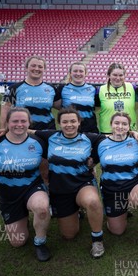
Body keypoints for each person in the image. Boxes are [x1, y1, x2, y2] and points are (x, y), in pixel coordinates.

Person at [0, 107, 52, 261]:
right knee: (18, 241)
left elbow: (54, 160)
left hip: (32, 188)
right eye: (15, 121)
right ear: (7, 123)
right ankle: (23, 219)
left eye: (23, 121)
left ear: (29, 123)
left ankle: (40, 242)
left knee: (42, 208)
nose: (19, 124)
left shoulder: (38, 142)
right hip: (8, 196)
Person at [32, 108, 105, 258]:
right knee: (69, 235)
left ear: (79, 122)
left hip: (82, 184)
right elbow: (27, 131)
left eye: (73, 121)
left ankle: (97, 240)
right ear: (59, 123)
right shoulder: (50, 136)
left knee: (92, 202)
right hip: (60, 190)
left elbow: (110, 138)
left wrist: (94, 160)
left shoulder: (88, 137)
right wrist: (3, 130)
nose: (69, 125)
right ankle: (76, 212)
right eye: (65, 121)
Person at [95, 112, 138, 251]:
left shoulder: (137, 141)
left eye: (124, 124)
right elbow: (89, 162)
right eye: (116, 123)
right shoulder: (100, 142)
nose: (120, 126)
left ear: (129, 127)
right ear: (110, 124)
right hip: (112, 190)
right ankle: (117, 209)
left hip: (132, 185)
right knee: (117, 231)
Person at [0, 56, 59, 130]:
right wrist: (3, 129)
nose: (36, 69)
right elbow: (5, 109)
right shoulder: (14, 88)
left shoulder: (51, 88)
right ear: (26, 68)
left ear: (44, 69)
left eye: (40, 66)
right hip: (22, 131)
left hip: (47, 131)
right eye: (33, 66)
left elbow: (63, 106)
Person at [55, 62, 98, 133]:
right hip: (69, 129)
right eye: (75, 71)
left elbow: (97, 107)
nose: (78, 74)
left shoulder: (93, 89)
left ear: (85, 73)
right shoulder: (62, 88)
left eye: (81, 71)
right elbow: (57, 106)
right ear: (70, 73)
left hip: (90, 129)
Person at [95, 63, 138, 134]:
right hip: (107, 131)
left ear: (124, 76)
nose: (118, 78)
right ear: (108, 75)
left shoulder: (132, 87)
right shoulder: (100, 90)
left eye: (121, 75)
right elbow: (95, 109)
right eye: (114, 75)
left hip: (129, 130)